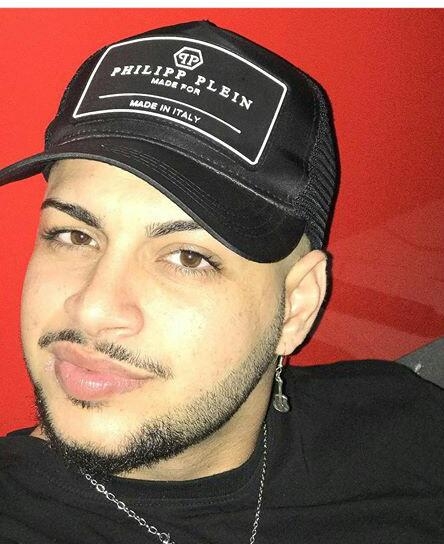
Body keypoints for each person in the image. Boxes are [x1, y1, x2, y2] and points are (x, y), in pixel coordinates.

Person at [0, 20, 442, 544]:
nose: (92, 309)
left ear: (296, 306)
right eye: (74, 235)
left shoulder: (407, 428)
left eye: (188, 257)